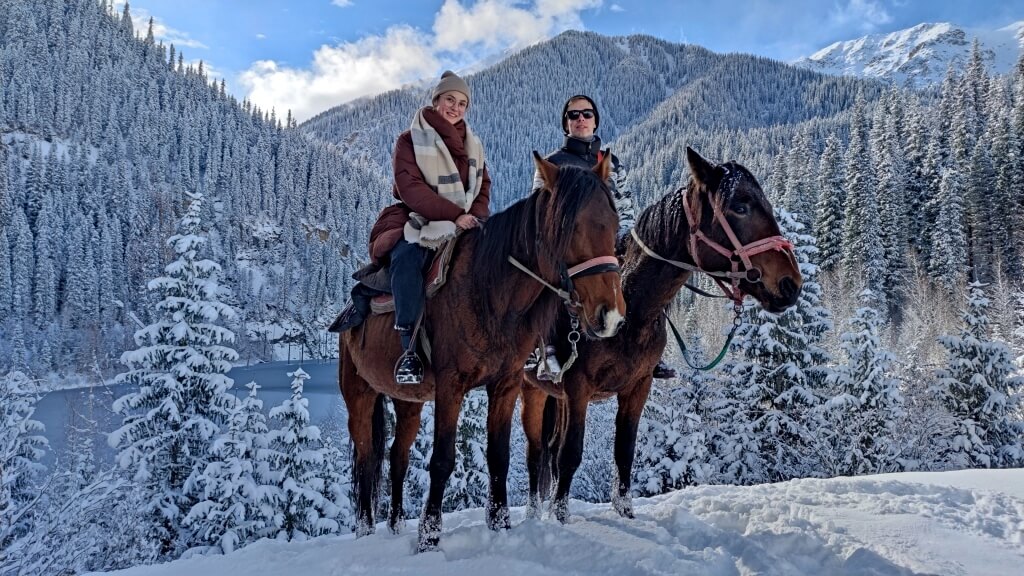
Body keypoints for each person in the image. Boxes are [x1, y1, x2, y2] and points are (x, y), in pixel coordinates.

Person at [332, 71, 491, 385]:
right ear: (436, 100)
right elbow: (411, 188)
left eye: (462, 103)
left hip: (467, 221)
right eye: (449, 99)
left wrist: (474, 216)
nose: (455, 107)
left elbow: (483, 186)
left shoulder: (474, 146)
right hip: (419, 218)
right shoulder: (410, 140)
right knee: (407, 257)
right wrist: (455, 215)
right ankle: (409, 348)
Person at [528, 94, 675, 380]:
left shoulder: (610, 163)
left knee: (644, 279)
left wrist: (625, 244)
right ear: (566, 124)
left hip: (606, 243)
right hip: (569, 245)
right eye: (573, 115)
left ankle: (648, 350)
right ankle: (546, 349)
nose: (580, 119)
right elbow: (538, 211)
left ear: (595, 121)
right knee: (552, 278)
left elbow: (624, 208)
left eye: (587, 114)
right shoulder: (552, 164)